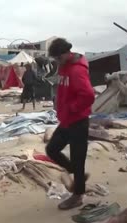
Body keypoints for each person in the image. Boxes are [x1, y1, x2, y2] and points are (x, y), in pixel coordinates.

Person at [45, 38, 95, 210]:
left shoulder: (77, 71)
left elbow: (88, 95)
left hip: (78, 121)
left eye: (57, 58)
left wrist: (72, 108)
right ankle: (76, 172)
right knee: (51, 149)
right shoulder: (63, 66)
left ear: (65, 54)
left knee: (78, 159)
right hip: (66, 120)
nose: (56, 62)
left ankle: (77, 195)